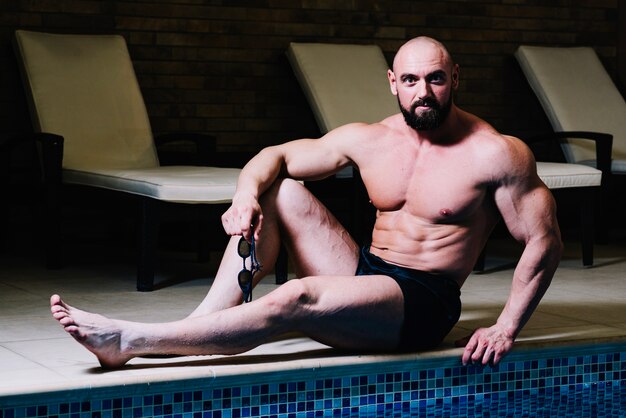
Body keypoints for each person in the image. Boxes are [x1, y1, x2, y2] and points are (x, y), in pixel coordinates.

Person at [50, 36, 562, 369]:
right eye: (410, 80)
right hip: (369, 272)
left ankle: (131, 341)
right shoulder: (371, 138)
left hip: (423, 302)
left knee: (296, 297)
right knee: (282, 190)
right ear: (392, 83)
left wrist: (506, 325)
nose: (422, 92)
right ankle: (199, 323)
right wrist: (246, 197)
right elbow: (275, 154)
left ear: (456, 78)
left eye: (435, 78)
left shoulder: (497, 153)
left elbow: (543, 241)